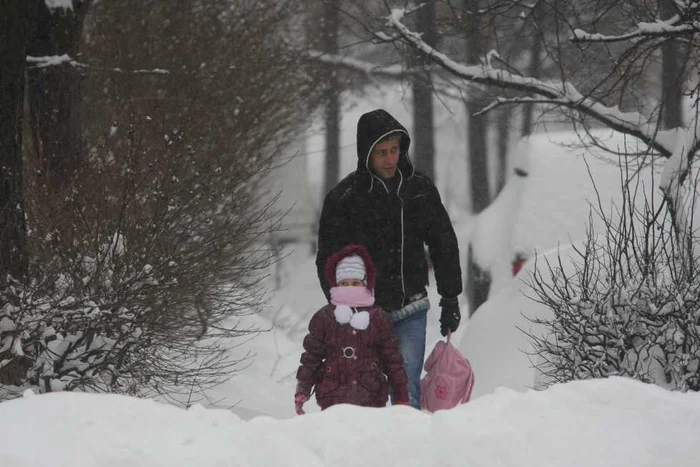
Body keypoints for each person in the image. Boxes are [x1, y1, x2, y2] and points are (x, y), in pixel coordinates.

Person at [316, 108, 462, 409]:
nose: (390, 159)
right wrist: (340, 306)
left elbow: (443, 243)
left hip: (411, 308)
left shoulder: (419, 191)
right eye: (381, 152)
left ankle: (410, 454)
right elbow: (328, 259)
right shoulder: (344, 199)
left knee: (405, 391)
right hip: (364, 315)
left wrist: (450, 297)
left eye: (395, 150)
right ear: (365, 154)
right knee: (365, 394)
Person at [295, 244, 409, 414]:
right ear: (336, 284)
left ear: (365, 283)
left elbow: (392, 360)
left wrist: (401, 394)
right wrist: (302, 390)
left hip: (371, 397)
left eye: (355, 283)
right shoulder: (325, 317)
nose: (350, 288)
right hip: (332, 398)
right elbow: (311, 358)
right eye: (344, 283)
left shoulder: (378, 318)